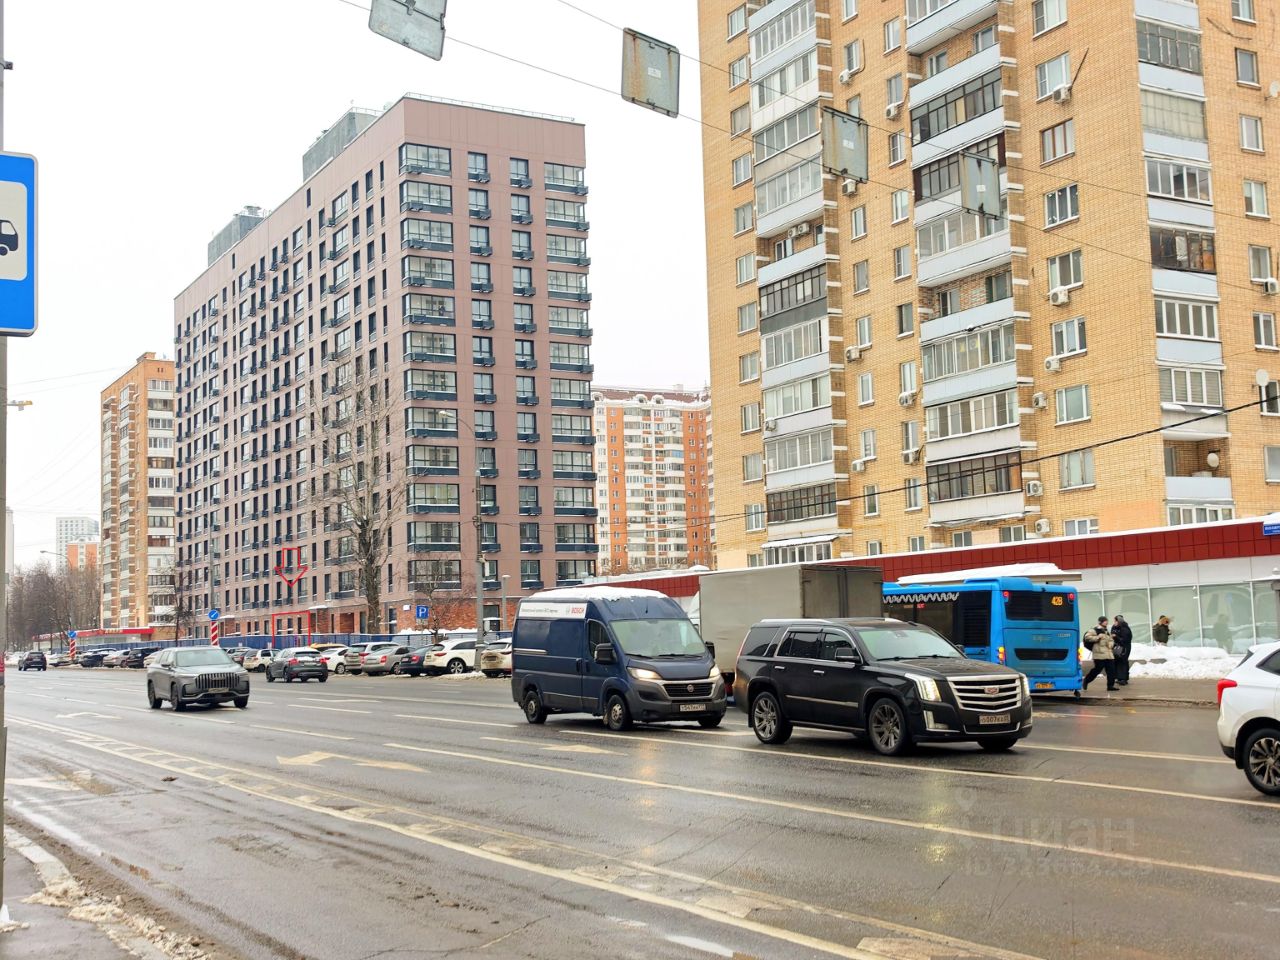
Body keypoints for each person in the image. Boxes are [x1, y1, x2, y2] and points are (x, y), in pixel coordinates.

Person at [1083, 619, 1117, 691]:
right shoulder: (1094, 630)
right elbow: (1087, 637)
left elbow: (1111, 640)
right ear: (1100, 622)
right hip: (1099, 654)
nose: (1106, 622)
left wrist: (1111, 644)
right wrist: (1097, 637)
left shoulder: (1106, 631)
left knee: (1111, 670)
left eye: (1107, 621)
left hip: (1108, 654)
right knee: (1097, 670)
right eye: (1105, 621)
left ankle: (1110, 686)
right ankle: (1086, 680)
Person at [1111, 614, 1133, 686]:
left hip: (1124, 647)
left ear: (1119, 621)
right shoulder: (1114, 627)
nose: (1114, 622)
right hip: (1117, 647)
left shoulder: (1125, 628)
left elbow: (1125, 640)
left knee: (1123, 661)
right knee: (1117, 661)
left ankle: (1124, 679)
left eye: (1115, 621)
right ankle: (1119, 678)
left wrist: (1116, 637)